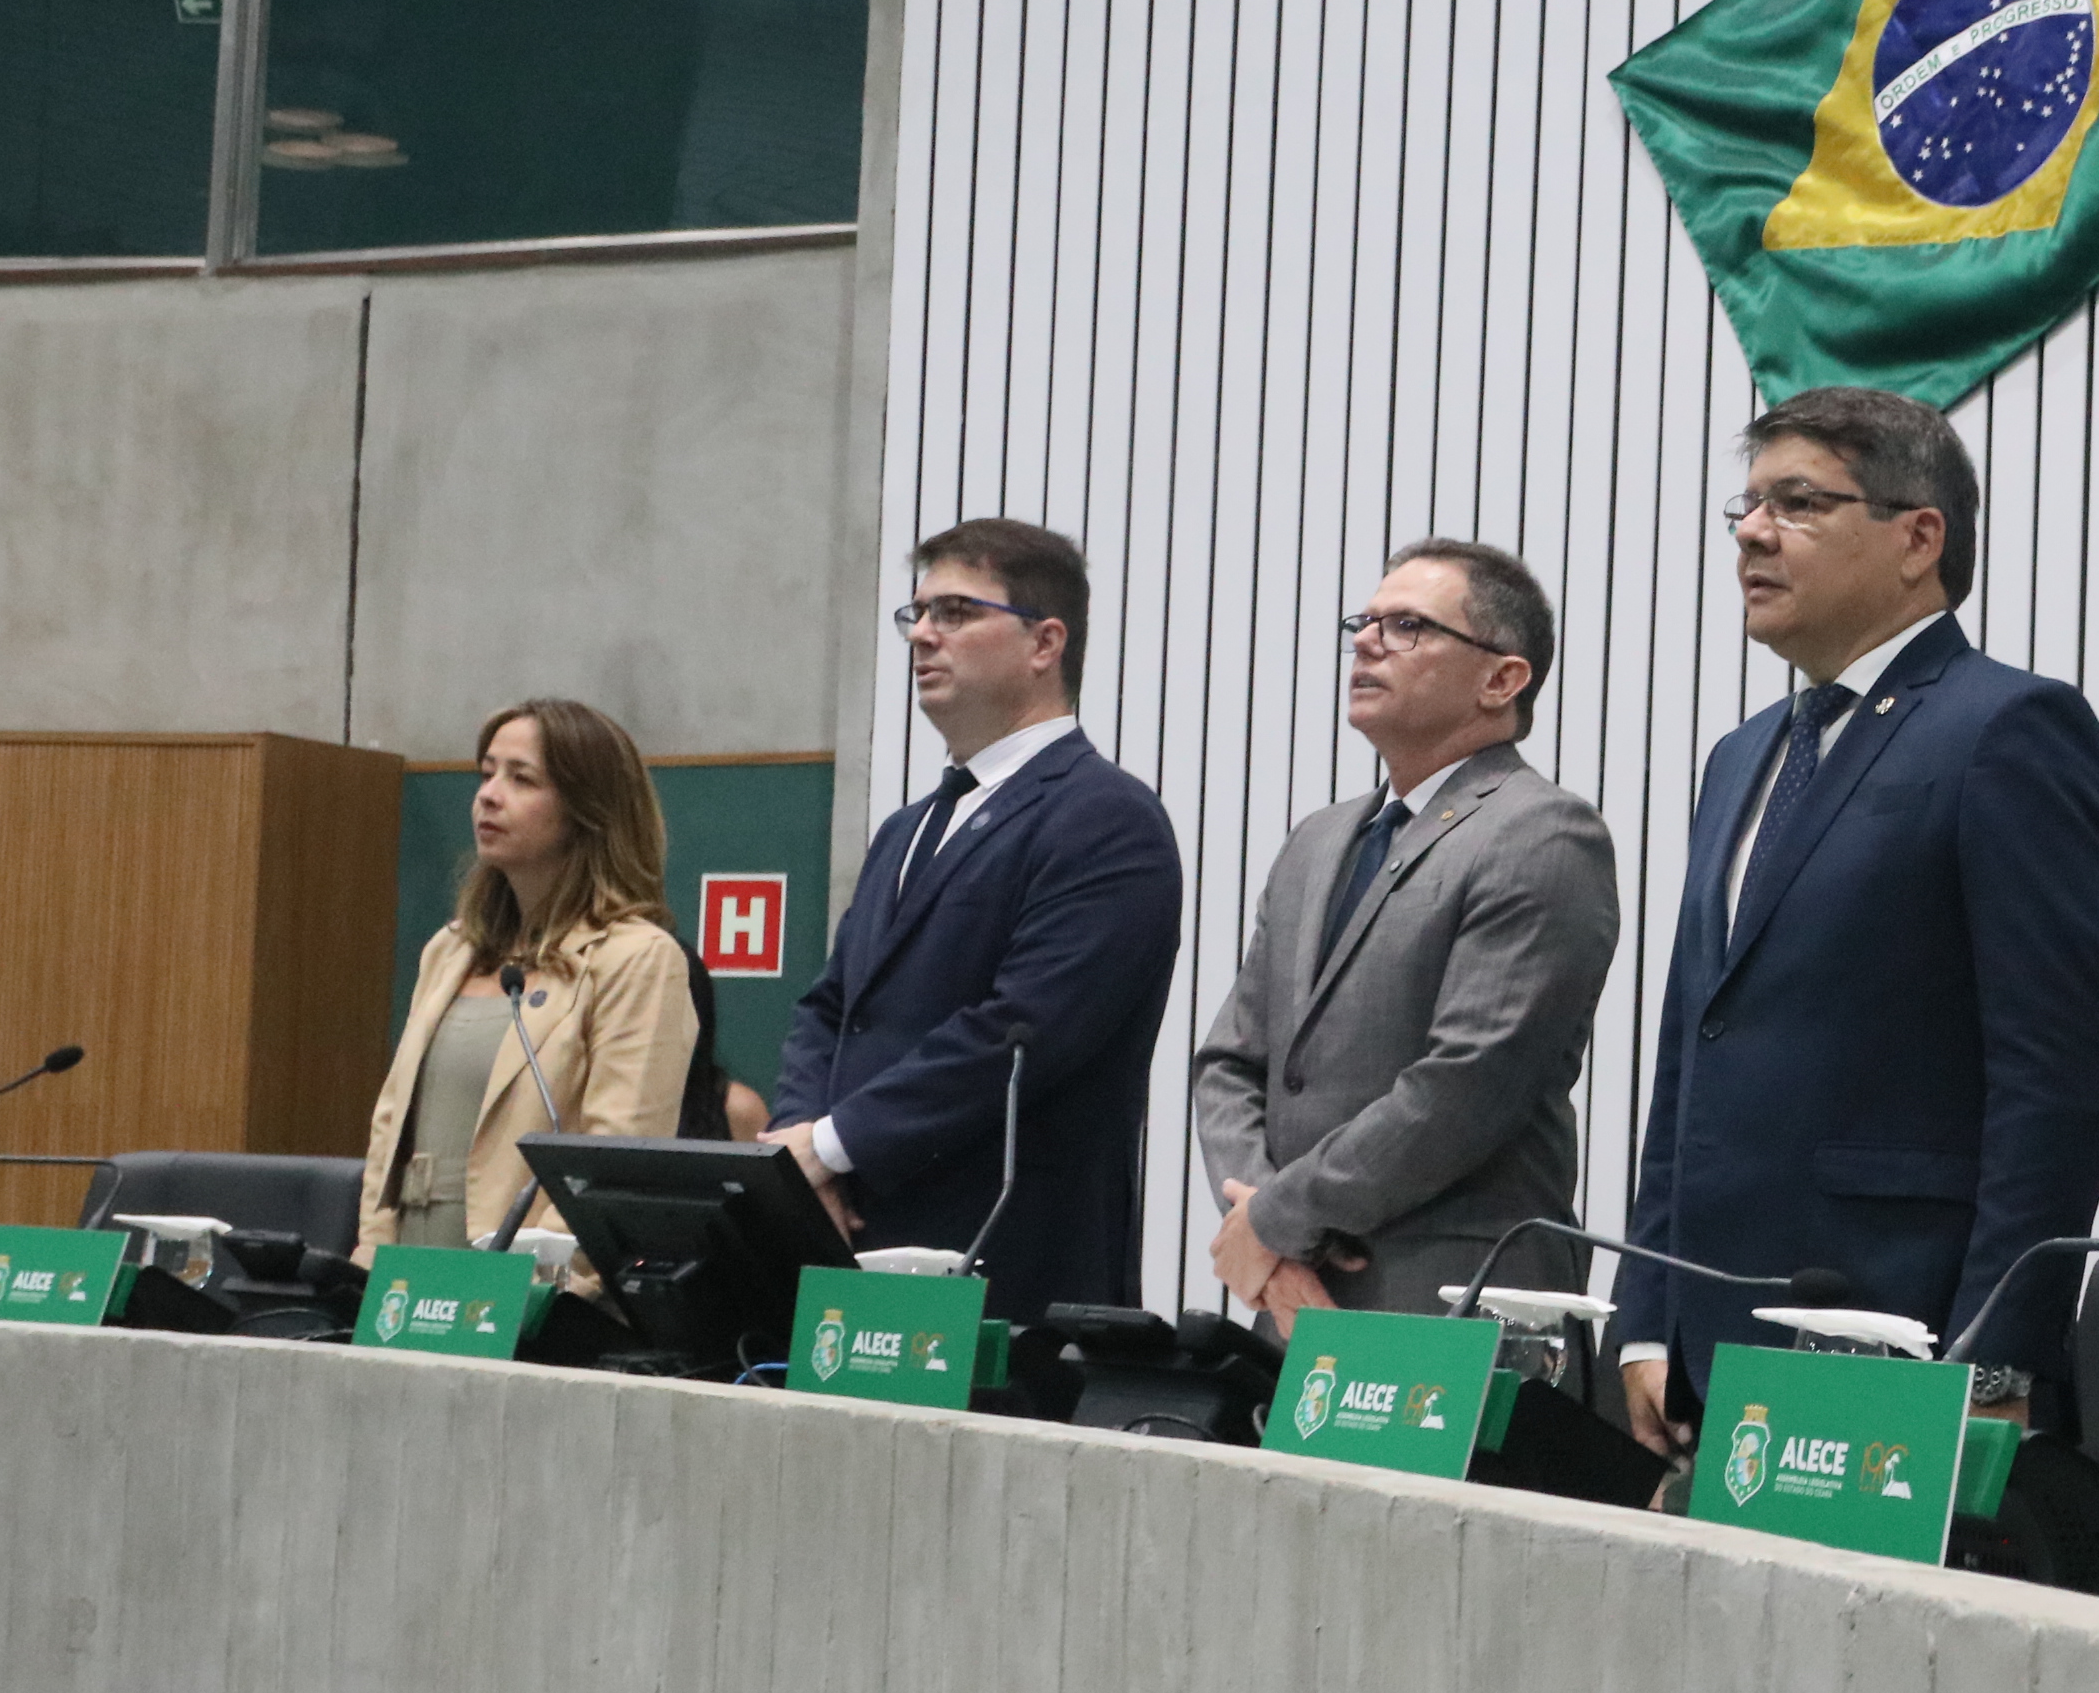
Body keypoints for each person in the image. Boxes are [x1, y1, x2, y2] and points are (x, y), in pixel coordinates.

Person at [1616, 389, 2099, 1452]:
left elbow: (2057, 1077)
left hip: (1903, 1341)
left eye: (1798, 502)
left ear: (1918, 538)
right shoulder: (1741, 755)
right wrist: (1644, 1317)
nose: (1753, 532)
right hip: (1711, 1347)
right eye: (1746, 507)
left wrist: (1996, 1355)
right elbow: (1691, 1055)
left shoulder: (2008, 728)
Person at [769, 519, 1183, 1325]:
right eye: (917, 613)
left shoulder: (1105, 817)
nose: (923, 634)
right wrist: (800, 1158)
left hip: (1004, 1266)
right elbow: (830, 1009)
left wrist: (827, 1149)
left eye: (956, 612)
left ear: (1044, 642)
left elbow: (1025, 1029)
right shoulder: (907, 828)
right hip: (855, 1240)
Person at [1192, 539, 1618, 1322]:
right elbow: (1230, 1062)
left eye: (1409, 627)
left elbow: (1467, 1083)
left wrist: (1278, 1219)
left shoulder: (1543, 833)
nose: (1365, 640)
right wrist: (1260, 1227)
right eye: (1367, 620)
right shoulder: (1319, 839)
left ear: (1502, 679)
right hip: (1291, 1297)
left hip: (1451, 1301)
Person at [358, 699, 699, 1263]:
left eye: (521, 779)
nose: (488, 794)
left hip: (525, 1292)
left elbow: (610, 1162)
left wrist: (535, 1283)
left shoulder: (636, 959)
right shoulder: (450, 950)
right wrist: (370, 1262)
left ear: (588, 810)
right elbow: (390, 1128)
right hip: (404, 1278)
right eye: (487, 773)